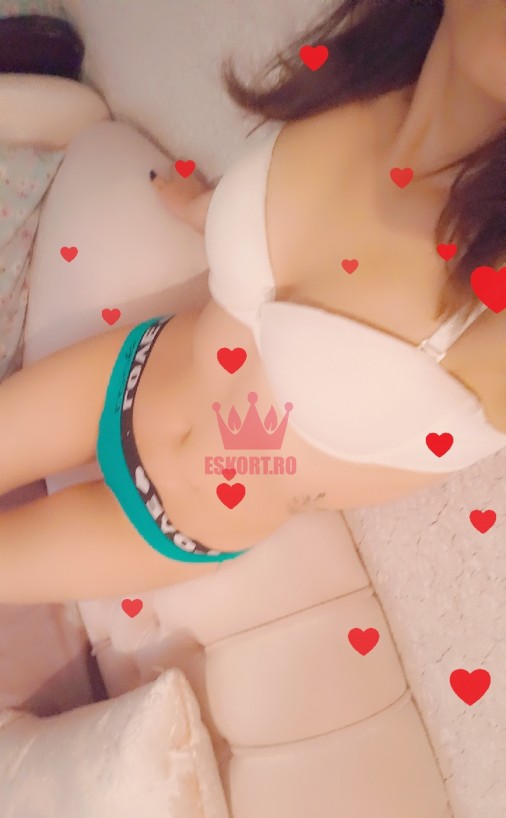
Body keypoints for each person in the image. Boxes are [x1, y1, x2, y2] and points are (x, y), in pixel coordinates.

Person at [0, 0, 505, 606]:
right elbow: (300, 237)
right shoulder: (365, 81)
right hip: (126, 369)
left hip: (166, 522)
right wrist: (212, 210)